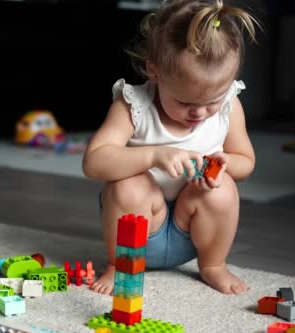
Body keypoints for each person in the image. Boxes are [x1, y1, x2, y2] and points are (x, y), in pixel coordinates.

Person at [82, 0, 260, 295]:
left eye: (212, 101)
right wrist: (153, 155)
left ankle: (213, 265)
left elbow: (246, 162)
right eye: (185, 102)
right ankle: (118, 265)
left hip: (192, 232)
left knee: (224, 188)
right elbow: (94, 162)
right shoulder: (133, 105)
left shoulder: (230, 106)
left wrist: (224, 162)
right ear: (154, 70)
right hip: (138, 228)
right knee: (128, 185)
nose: (200, 113)